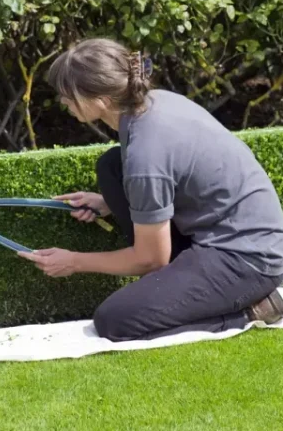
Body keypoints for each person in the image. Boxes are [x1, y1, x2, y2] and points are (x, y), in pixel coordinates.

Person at [17, 37, 283, 342]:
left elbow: (150, 259)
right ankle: (173, 288)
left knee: (114, 321)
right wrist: (107, 202)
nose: (63, 102)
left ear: (100, 99)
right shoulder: (153, 103)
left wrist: (74, 261)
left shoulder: (147, 153)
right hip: (234, 233)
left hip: (247, 259)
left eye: (67, 95)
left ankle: (254, 310)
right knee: (112, 166)